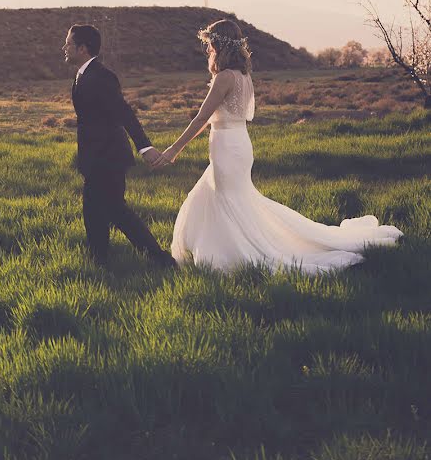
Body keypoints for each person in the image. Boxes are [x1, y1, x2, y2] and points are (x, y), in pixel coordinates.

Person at [154, 19, 403, 273]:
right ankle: (223, 249)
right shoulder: (243, 75)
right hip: (239, 143)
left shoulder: (224, 78)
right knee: (231, 199)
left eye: (210, 44)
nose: (208, 50)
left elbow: (201, 118)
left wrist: (174, 149)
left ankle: (234, 255)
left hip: (227, 146)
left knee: (230, 201)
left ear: (220, 45)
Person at [62, 24, 176, 268]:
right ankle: (100, 259)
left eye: (69, 44)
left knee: (115, 210)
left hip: (109, 156)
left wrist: (144, 147)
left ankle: (159, 259)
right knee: (95, 210)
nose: (65, 48)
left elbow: (124, 113)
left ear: (82, 49)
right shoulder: (82, 74)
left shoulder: (101, 76)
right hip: (95, 156)